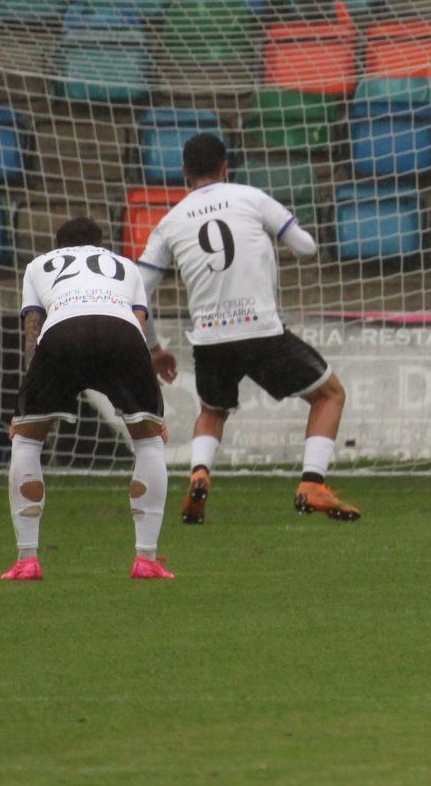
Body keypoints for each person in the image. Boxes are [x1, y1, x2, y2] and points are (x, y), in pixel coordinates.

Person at [137, 133, 360, 525]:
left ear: (185, 172)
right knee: (330, 395)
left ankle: (200, 474)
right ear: (226, 166)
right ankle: (312, 482)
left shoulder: (170, 221)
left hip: (209, 338)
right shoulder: (251, 197)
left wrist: (155, 348)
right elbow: (306, 247)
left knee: (212, 411)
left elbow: (138, 290)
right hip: (260, 330)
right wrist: (283, 234)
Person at [5, 216, 172, 581]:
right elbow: (138, 322)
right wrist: (149, 403)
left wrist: (28, 400)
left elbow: (33, 327)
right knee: (149, 441)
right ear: (101, 244)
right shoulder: (126, 266)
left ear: (58, 246)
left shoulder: (38, 265)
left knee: (27, 440)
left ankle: (26, 561)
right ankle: (147, 560)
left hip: (63, 332)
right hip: (122, 333)